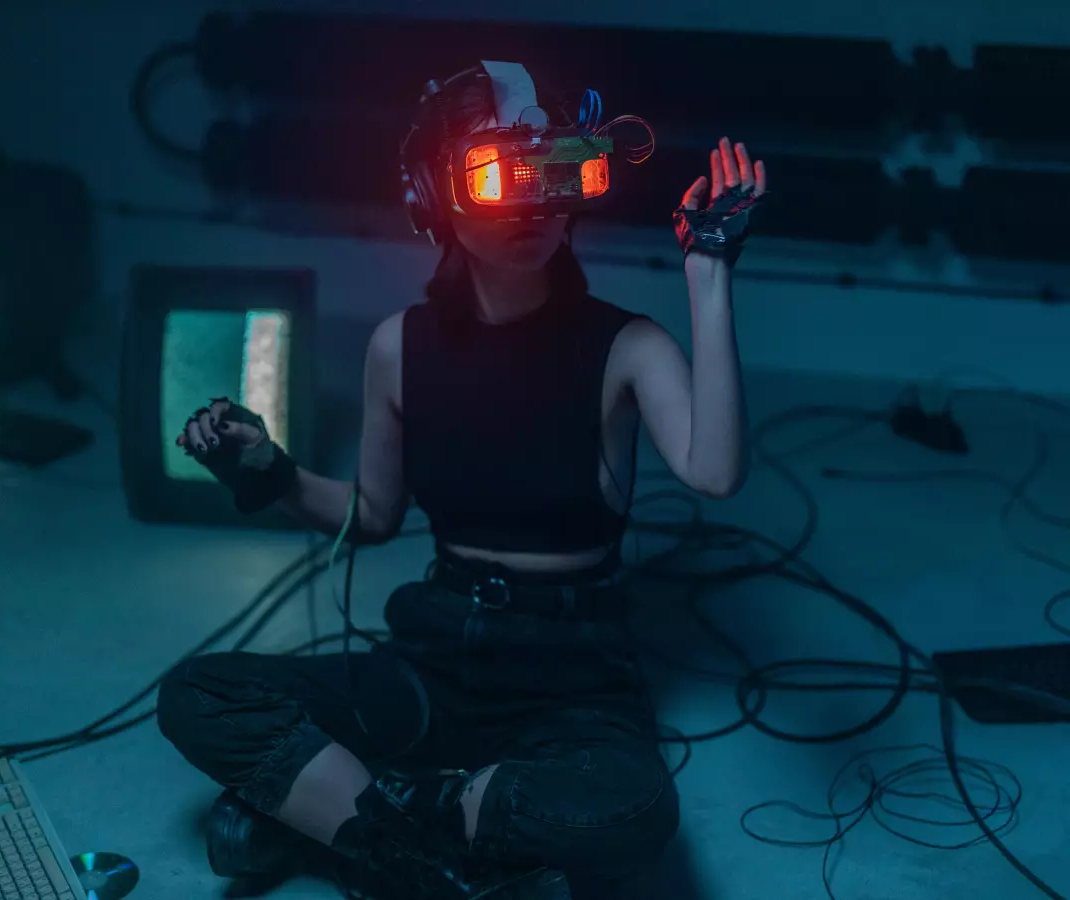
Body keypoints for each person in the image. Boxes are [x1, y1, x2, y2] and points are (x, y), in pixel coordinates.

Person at [156, 60, 766, 900]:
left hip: (573, 675)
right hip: (434, 657)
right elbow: (371, 517)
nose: (532, 201)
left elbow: (716, 471)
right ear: (432, 194)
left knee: (630, 819)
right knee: (199, 693)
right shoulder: (398, 348)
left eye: (553, 170)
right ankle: (429, 851)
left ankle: (355, 822)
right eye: (495, 174)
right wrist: (268, 470)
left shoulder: (629, 347)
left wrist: (710, 274)